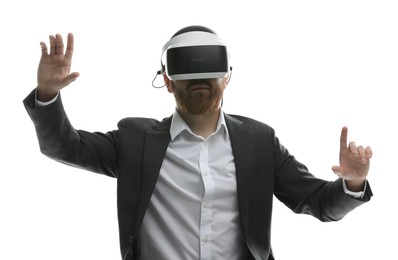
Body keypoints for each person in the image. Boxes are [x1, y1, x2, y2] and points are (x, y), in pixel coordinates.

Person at [23, 25, 373, 260]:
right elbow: (64, 147)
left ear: (227, 79)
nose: (199, 81)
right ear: (169, 82)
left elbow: (316, 202)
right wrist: (48, 94)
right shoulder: (134, 140)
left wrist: (352, 184)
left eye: (208, 75)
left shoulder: (259, 142)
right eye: (189, 77)